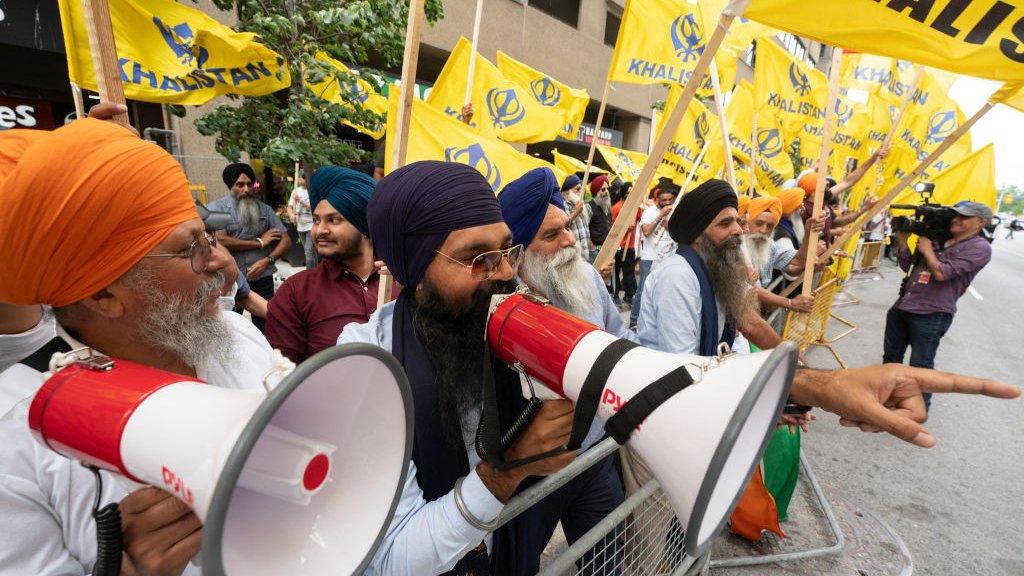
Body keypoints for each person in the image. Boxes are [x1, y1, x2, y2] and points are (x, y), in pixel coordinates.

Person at [0, 117, 278, 576]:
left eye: (208, 236)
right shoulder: (17, 438)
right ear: (102, 295)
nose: (220, 263)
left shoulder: (237, 333)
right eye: (191, 248)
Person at [637, 179, 785, 356]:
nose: (739, 230)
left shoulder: (722, 267)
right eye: (725, 224)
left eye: (737, 221)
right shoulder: (676, 276)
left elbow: (752, 323)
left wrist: (794, 363)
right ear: (697, 235)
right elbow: (683, 363)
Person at [500, 167, 635, 343]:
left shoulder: (589, 275)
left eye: (567, 227)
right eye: (551, 235)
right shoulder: (506, 308)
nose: (570, 239)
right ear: (518, 254)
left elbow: (619, 336)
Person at [884, 201, 995, 411]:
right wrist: (903, 242)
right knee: (891, 361)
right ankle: (887, 399)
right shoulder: (939, 237)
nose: (956, 219)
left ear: (980, 222)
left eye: (964, 217)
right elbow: (908, 265)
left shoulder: (979, 248)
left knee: (921, 367)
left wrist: (926, 249)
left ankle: (918, 411)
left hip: (931, 314)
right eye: (955, 215)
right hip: (903, 306)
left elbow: (942, 273)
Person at [265, 166, 380, 363]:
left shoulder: (401, 282)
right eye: (316, 220)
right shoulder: (296, 293)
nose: (319, 230)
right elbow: (282, 375)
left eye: (334, 220)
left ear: (364, 225)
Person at [208, 162, 292, 332]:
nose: (246, 189)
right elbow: (219, 241)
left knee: (267, 324)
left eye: (249, 184)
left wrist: (267, 260)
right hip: (229, 279)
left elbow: (286, 239)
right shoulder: (216, 209)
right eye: (240, 185)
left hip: (262, 276)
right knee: (231, 326)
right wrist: (259, 242)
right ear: (230, 185)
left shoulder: (265, 210)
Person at [741, 195, 821, 313]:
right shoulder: (734, 246)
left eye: (769, 226)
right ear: (747, 222)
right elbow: (753, 289)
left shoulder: (770, 245)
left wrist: (809, 232)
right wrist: (790, 303)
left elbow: (799, 260)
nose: (763, 231)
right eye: (759, 223)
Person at [630, 186, 679, 328]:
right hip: (650, 258)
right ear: (657, 199)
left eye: (670, 199)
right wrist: (660, 216)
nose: (667, 202)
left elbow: (677, 234)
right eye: (664, 200)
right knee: (644, 290)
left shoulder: (675, 211)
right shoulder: (649, 212)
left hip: (669, 257)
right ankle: (634, 320)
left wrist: (668, 224)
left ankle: (658, 321)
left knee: (665, 290)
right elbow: (646, 231)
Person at [611, 182, 639, 306]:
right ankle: (615, 295)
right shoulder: (616, 208)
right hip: (618, 246)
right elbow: (612, 228)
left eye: (632, 193)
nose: (630, 195)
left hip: (630, 246)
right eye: (628, 193)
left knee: (629, 272)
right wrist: (624, 228)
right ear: (623, 193)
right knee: (615, 272)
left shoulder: (635, 208)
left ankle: (629, 295)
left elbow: (642, 217)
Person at [287, 174, 317, 268]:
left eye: (302, 178)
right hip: (300, 225)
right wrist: (291, 214)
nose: (300, 179)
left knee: (308, 252)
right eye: (299, 177)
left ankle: (309, 274)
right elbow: (290, 207)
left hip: (311, 225)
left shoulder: (313, 190)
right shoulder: (296, 191)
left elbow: (314, 207)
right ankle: (316, 271)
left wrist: (301, 201)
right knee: (309, 252)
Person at [561, 174, 592, 260]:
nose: (580, 192)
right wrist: (575, 213)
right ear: (566, 192)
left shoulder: (579, 205)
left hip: (584, 258)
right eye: (577, 189)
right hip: (573, 259)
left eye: (581, 189)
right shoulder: (562, 206)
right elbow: (562, 227)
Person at [587, 176, 613, 264]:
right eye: (603, 189)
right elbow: (585, 230)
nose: (606, 192)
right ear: (596, 192)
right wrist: (593, 249)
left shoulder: (607, 206)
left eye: (607, 189)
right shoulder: (589, 207)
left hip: (607, 251)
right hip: (595, 252)